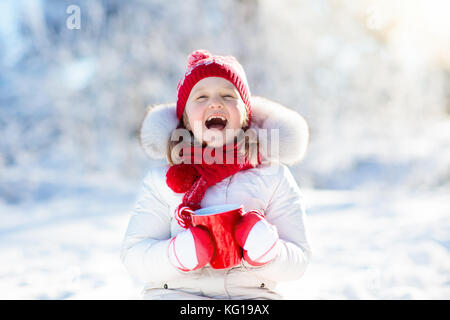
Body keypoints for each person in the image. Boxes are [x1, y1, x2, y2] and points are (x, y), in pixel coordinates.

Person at [120, 49, 311, 299]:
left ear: (244, 115)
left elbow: (299, 261)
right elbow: (134, 256)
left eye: (228, 95)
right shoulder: (161, 183)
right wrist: (176, 254)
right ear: (186, 121)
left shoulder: (273, 177)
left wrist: (268, 252)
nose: (215, 103)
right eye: (201, 97)